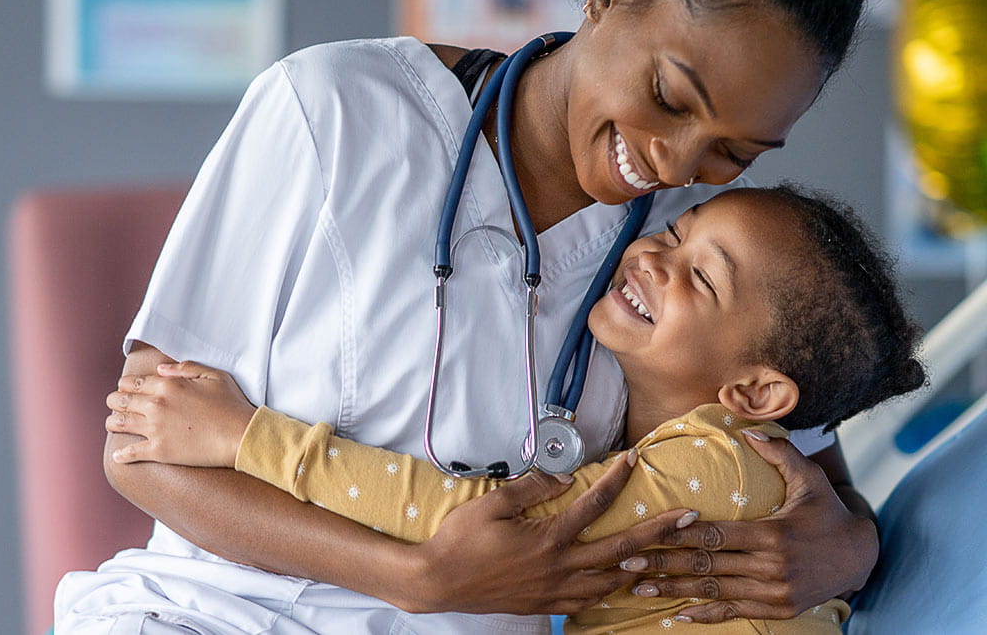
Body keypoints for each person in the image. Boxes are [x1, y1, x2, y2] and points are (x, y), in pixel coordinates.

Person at [55, 0, 905, 634]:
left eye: (735, 151)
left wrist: (849, 552)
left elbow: (809, 476)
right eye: (669, 98)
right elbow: (145, 453)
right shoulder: (334, 111)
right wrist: (416, 579)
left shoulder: (697, 249)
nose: (677, 165)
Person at [104, 186, 927, 634]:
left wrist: (246, 437)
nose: (653, 256)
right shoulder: (722, 453)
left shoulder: (715, 468)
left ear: (755, 393)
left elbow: (464, 520)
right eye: (678, 237)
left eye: (702, 279)